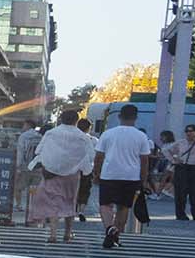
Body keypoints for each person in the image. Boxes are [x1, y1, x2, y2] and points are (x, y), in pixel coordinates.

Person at [28, 110, 94, 243]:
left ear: (61, 119)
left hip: (53, 173)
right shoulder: (82, 136)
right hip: (72, 174)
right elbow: (88, 155)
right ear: (76, 120)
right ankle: (68, 233)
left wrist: (47, 163)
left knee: (54, 202)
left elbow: (39, 150)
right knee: (70, 201)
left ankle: (53, 234)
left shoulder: (51, 133)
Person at [93, 104, 151, 249]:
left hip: (109, 174)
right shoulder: (141, 136)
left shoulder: (108, 134)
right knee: (123, 207)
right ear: (136, 118)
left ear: (119, 116)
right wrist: (143, 179)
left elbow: (99, 156)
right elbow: (144, 160)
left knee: (105, 205)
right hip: (131, 176)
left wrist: (96, 173)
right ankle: (116, 235)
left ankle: (109, 228)